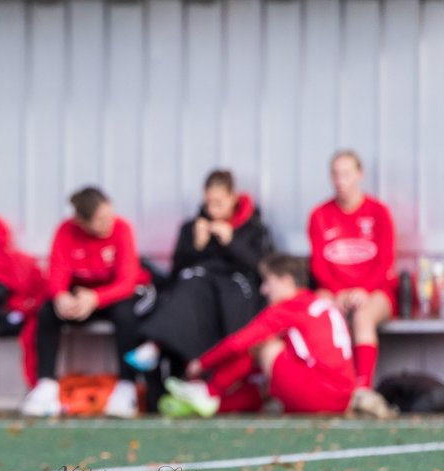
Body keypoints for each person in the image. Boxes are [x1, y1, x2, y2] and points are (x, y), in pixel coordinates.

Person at [162, 254, 358, 417]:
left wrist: (201, 364)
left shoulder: (288, 308)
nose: (264, 290)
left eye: (268, 282)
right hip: (341, 398)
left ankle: (209, 392)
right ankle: (213, 405)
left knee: (263, 346)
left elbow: (239, 343)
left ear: (286, 281)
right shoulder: (318, 302)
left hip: (315, 396)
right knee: (270, 370)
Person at [124, 170, 272, 385]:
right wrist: (197, 246)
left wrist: (232, 242)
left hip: (235, 288)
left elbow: (263, 268)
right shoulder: (192, 228)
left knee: (217, 296)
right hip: (200, 288)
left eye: (219, 203)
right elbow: (175, 273)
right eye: (208, 203)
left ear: (233, 198)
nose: (212, 209)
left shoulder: (254, 229)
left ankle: (169, 348)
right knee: (188, 285)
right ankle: (160, 346)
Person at [23, 187, 154, 418]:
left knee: (126, 315)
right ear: (81, 222)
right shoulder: (66, 231)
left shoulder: (121, 229)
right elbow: (57, 272)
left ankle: (127, 386)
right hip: (80, 299)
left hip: (112, 297)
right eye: (100, 220)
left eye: (109, 215)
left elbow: (127, 281)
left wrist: (95, 298)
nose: (108, 223)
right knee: (47, 312)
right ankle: (46, 385)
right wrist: (61, 297)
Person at [308, 150, 396, 415]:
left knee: (362, 317)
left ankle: (362, 391)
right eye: (335, 174)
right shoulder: (320, 215)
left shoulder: (378, 213)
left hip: (376, 292)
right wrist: (337, 292)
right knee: (319, 311)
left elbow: (385, 261)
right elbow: (318, 265)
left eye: (346, 174)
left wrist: (364, 290)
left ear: (359, 175)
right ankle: (326, 389)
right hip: (335, 292)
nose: (340, 180)